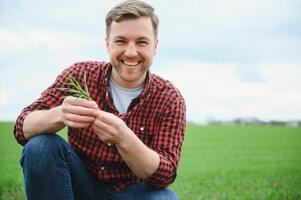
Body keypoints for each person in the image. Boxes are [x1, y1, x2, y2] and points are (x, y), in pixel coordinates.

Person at [14, 0, 186, 199]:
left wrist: (123, 137)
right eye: (120, 41)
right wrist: (60, 114)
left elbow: (164, 175)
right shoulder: (80, 75)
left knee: (164, 198)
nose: (130, 52)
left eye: (142, 42)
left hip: (131, 191)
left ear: (155, 46)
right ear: (107, 43)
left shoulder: (169, 98)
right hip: (78, 183)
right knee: (40, 146)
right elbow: (21, 128)